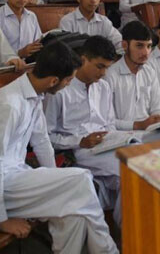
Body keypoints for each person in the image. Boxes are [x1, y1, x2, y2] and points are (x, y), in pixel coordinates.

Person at [0, 43, 118, 254]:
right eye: (69, 80)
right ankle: (108, 250)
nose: (69, 84)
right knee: (81, 179)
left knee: (74, 213)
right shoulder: (9, 104)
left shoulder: (34, 93)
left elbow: (41, 142)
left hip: (17, 175)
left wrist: (55, 179)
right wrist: (1, 219)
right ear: (54, 81)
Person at [45, 35, 123, 226]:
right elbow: (45, 136)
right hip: (78, 150)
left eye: (107, 67)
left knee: (141, 165)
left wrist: (117, 138)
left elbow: (109, 124)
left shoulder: (103, 87)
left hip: (106, 145)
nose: (104, 73)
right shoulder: (60, 90)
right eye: (99, 66)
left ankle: (126, 232)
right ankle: (125, 233)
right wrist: (79, 141)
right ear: (83, 60)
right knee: (129, 173)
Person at [105, 21, 160, 133]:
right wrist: (137, 125)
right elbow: (106, 120)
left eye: (149, 46)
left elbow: (156, 108)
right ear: (125, 45)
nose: (146, 52)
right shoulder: (110, 75)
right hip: (122, 135)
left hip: (148, 130)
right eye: (139, 46)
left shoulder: (150, 72)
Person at [58, 0, 122, 51]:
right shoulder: (67, 21)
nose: (93, 0)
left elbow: (118, 43)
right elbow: (65, 50)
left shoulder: (104, 21)